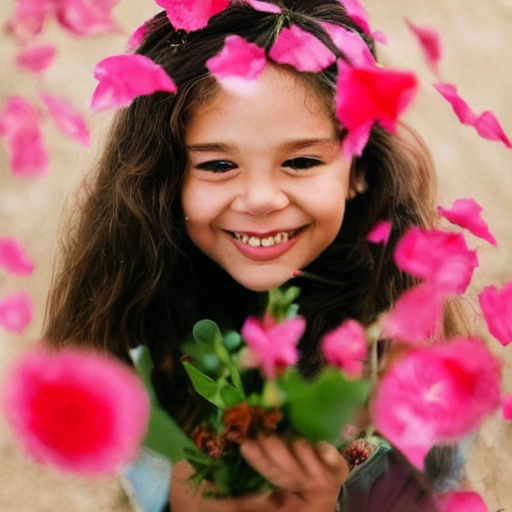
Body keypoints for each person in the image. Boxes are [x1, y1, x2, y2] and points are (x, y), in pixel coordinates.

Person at [43, 1, 467, 510]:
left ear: (358, 169)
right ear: (164, 178)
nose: (261, 199)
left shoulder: (400, 327)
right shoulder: (142, 305)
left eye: (302, 161)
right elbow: (140, 467)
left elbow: (435, 482)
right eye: (219, 164)